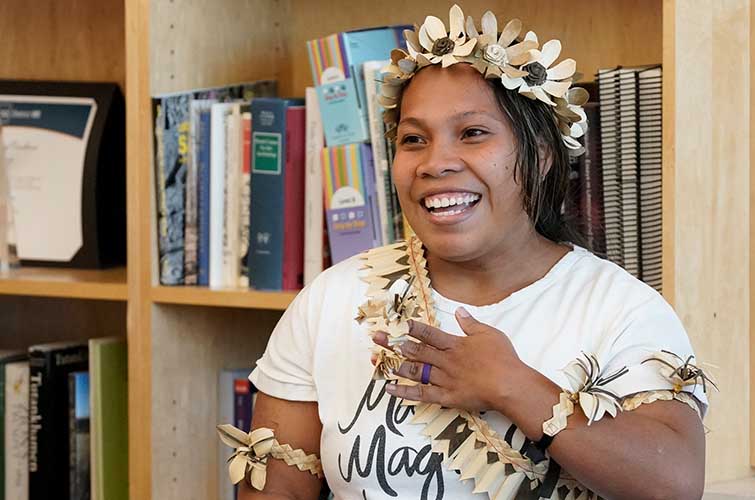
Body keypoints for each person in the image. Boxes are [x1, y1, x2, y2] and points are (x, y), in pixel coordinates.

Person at [233, 5, 711, 499]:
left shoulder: (620, 311)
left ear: (541, 155)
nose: (436, 163)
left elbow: (674, 485)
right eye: (414, 139)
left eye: (473, 133)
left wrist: (513, 387)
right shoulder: (333, 300)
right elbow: (277, 490)